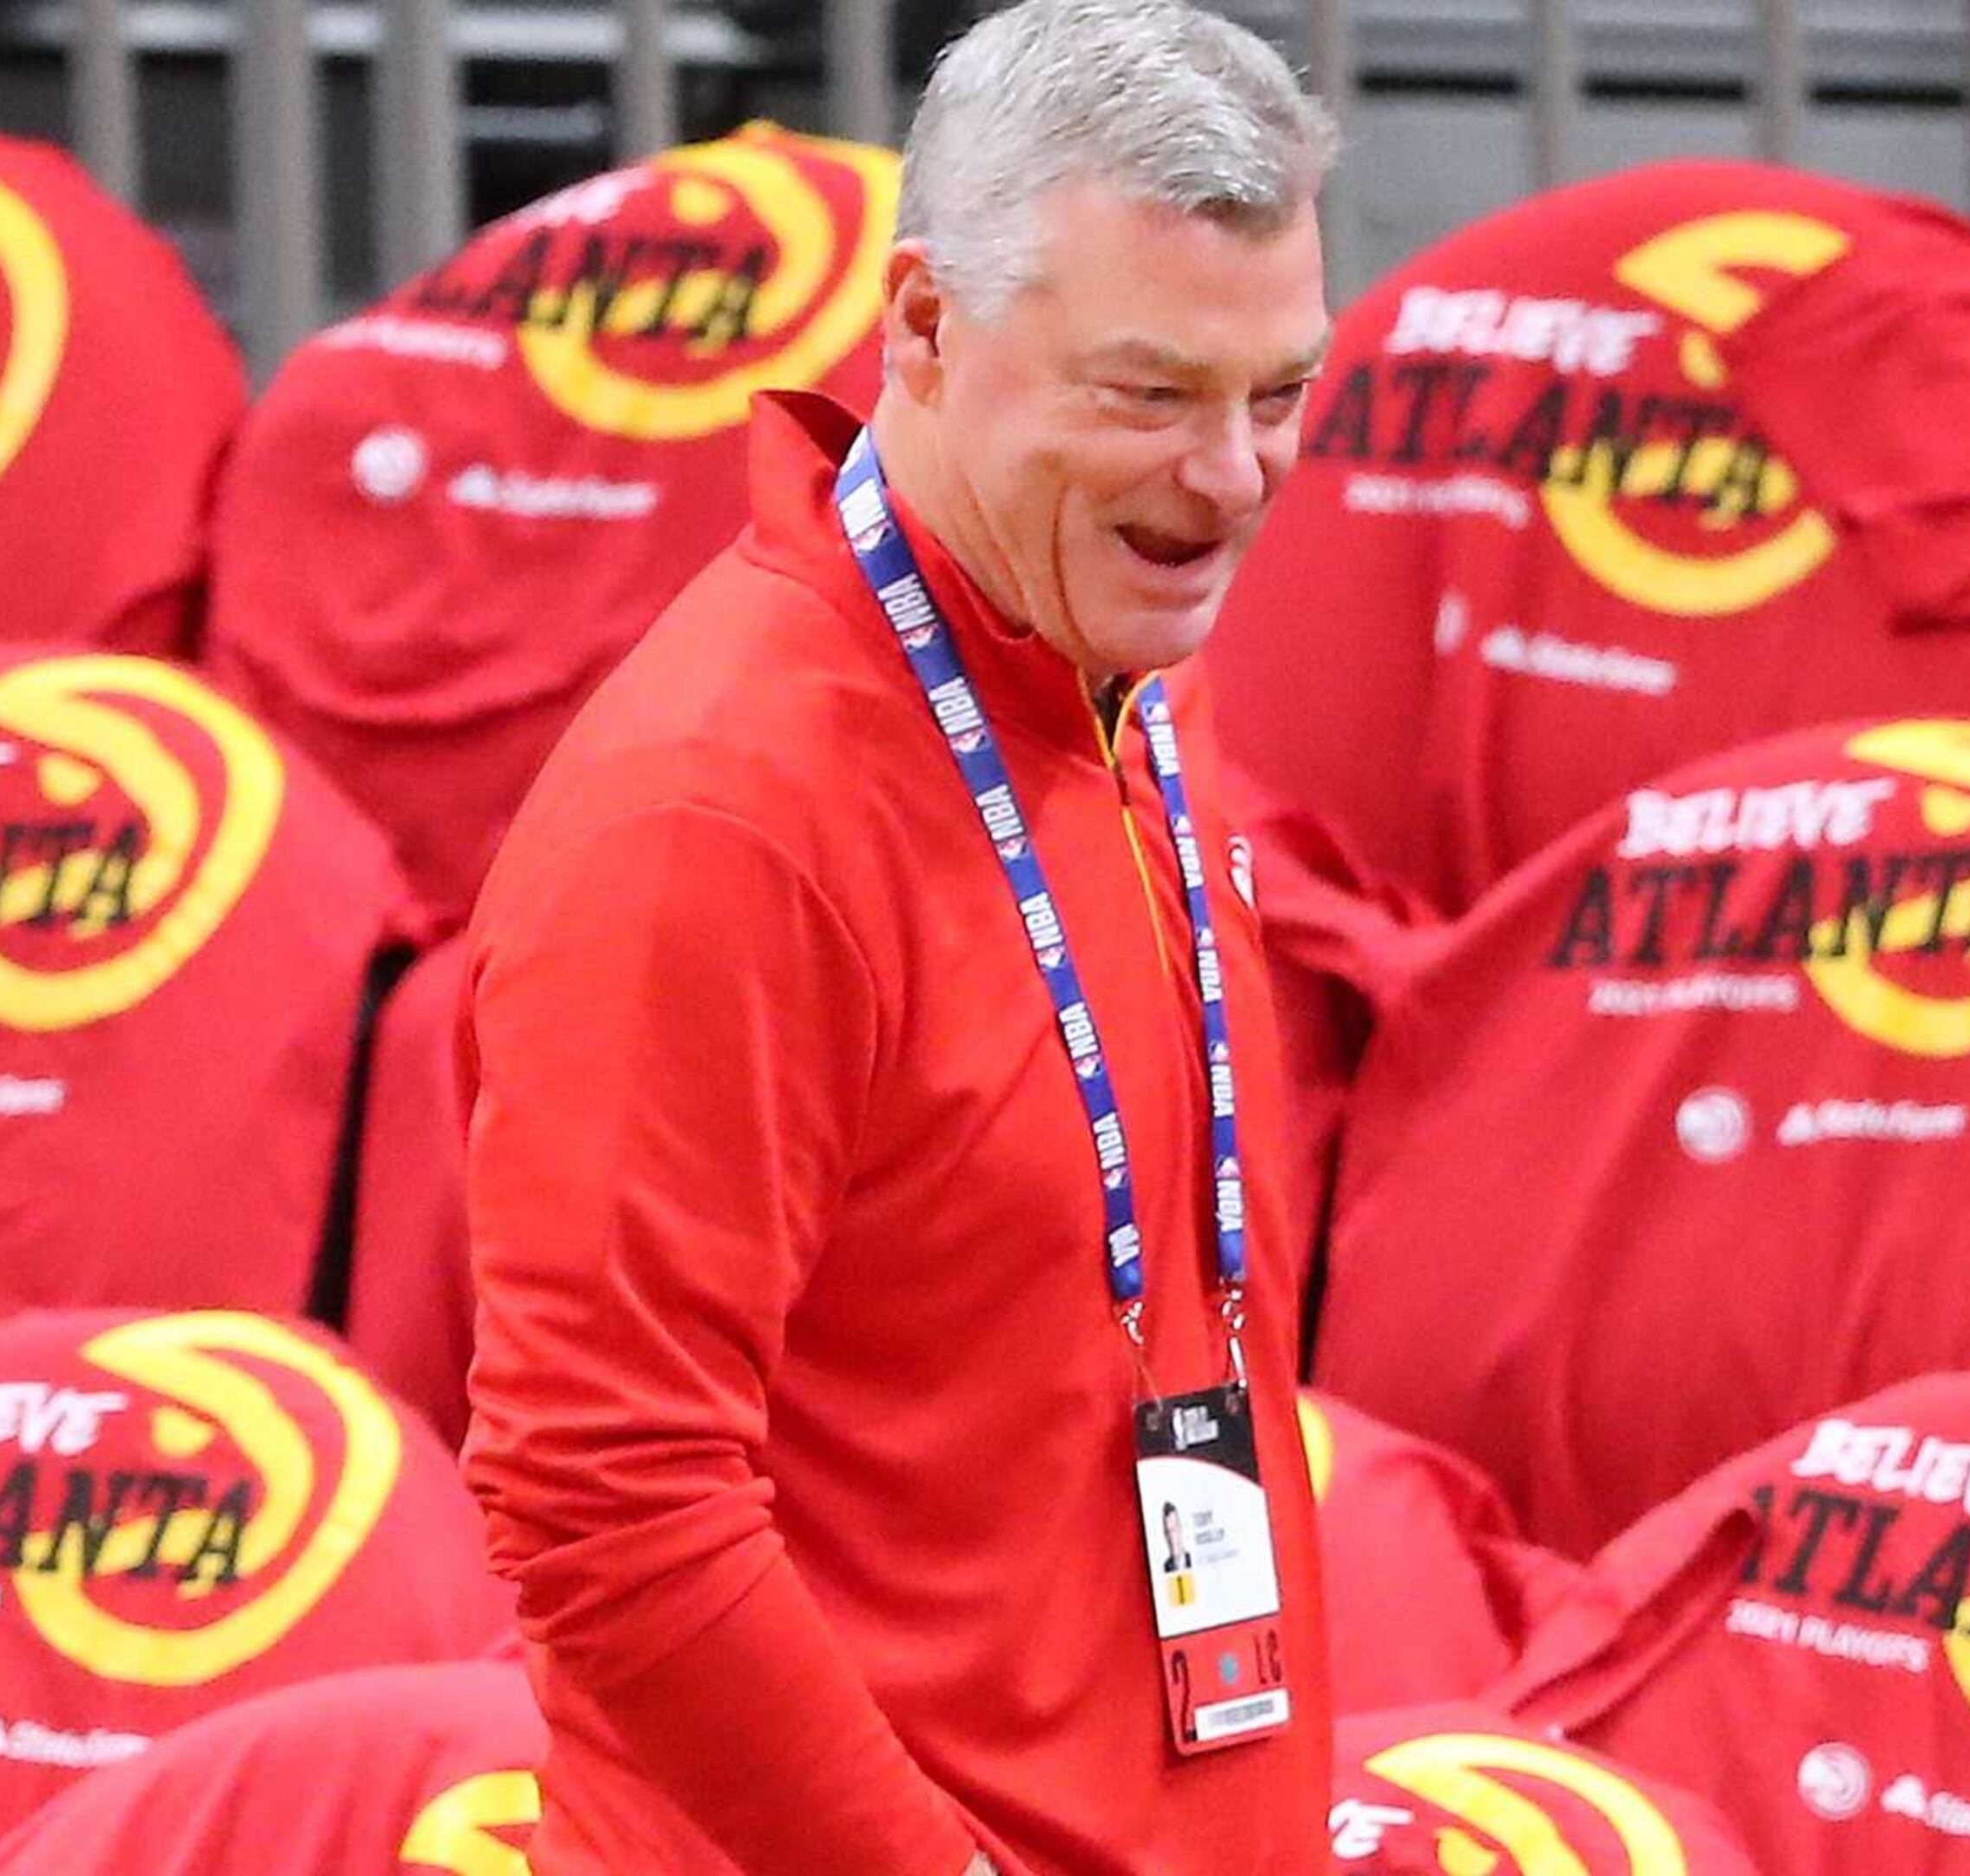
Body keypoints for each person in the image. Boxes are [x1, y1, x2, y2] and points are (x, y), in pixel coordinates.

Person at [460, 3, 1339, 1872]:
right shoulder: (718, 812)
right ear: (927, 329)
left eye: (1277, 394)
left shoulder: (1121, 676)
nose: (1233, 480)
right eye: (1150, 393)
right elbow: (601, 1497)